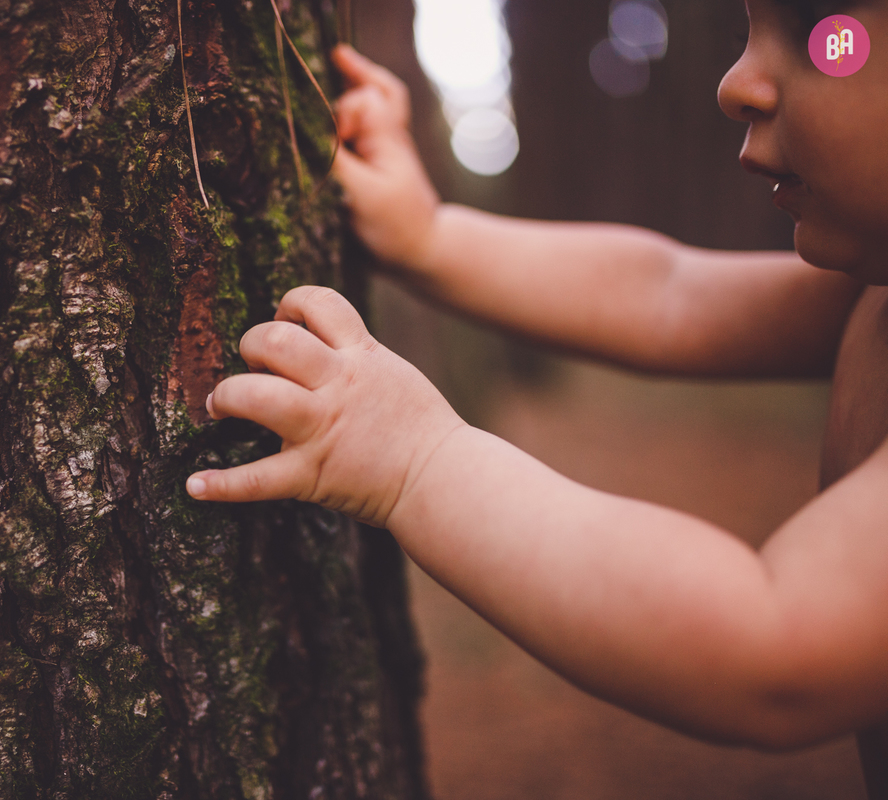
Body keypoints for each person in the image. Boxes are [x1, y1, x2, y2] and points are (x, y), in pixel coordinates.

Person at [186, 0, 888, 792]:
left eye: (822, 29)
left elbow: (774, 643)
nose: (736, 83)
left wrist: (417, 462)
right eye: (742, 37)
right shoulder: (871, 293)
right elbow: (668, 296)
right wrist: (432, 237)